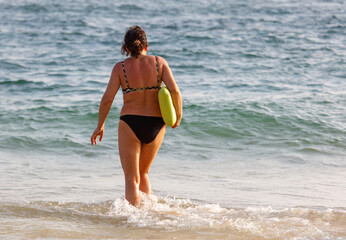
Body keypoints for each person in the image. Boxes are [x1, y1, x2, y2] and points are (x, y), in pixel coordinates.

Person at [90, 26, 182, 206]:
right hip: (156, 123)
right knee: (144, 172)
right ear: (146, 46)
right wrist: (177, 118)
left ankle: (132, 219)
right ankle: (147, 215)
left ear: (127, 49)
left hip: (130, 122)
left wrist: (100, 125)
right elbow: (175, 91)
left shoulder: (120, 67)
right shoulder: (159, 62)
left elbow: (108, 99)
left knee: (132, 177)